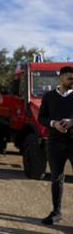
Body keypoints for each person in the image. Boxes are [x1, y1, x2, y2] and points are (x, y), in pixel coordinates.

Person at [38, 66, 73, 225]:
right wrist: (53, 123)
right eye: (70, 78)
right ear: (61, 77)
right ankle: (56, 212)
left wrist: (72, 122)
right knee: (56, 179)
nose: (72, 82)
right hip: (54, 143)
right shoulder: (49, 96)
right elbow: (41, 118)